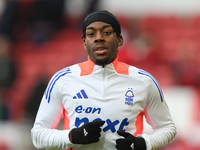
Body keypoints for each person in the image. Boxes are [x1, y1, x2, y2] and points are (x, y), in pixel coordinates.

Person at [31, 10, 176, 150]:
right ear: (84, 43)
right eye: (91, 34)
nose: (98, 38)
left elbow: (167, 128)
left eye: (106, 32)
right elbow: (38, 135)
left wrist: (142, 143)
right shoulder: (62, 80)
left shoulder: (144, 81)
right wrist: (72, 137)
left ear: (119, 40)